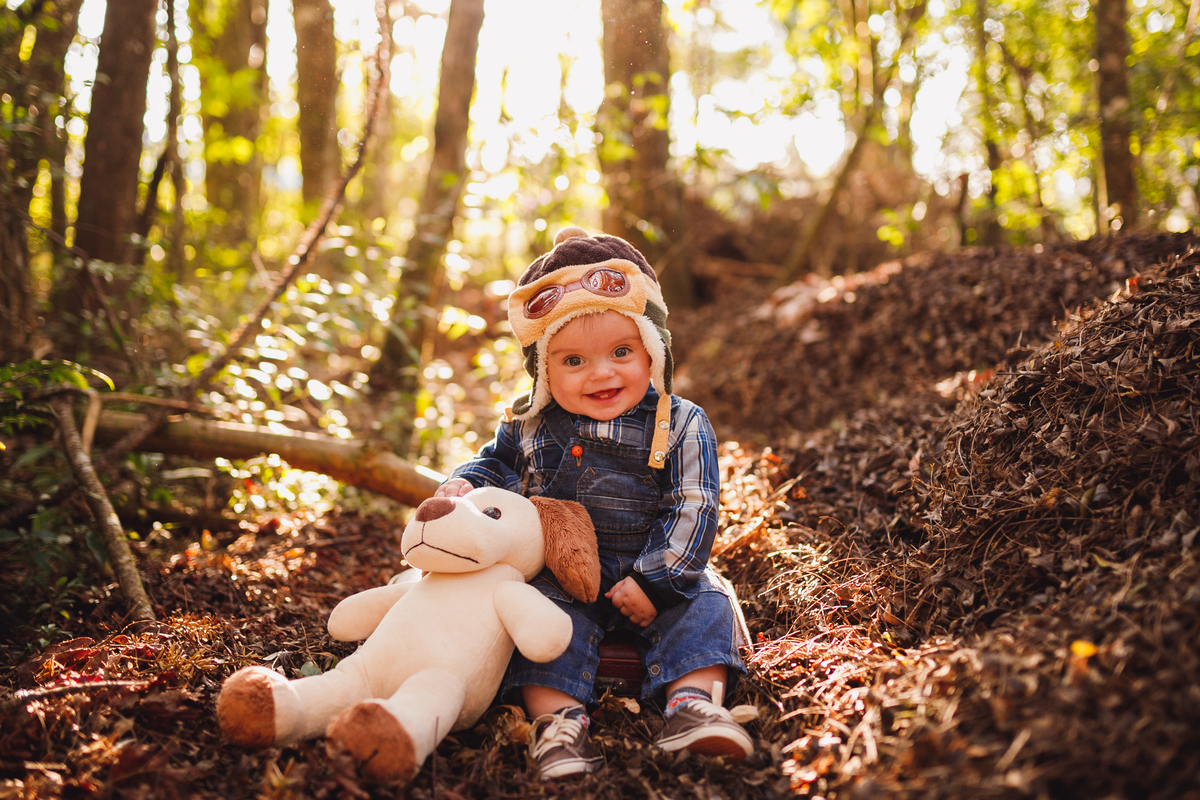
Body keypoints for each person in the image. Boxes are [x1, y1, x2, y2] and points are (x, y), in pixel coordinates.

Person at [436, 227, 754, 779]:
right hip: (566, 572)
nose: (602, 372)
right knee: (539, 621)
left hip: (657, 571)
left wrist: (657, 580)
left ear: (653, 349)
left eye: (622, 352)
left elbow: (694, 505)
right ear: (543, 368)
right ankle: (558, 725)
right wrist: (465, 485)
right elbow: (496, 466)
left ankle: (692, 706)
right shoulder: (531, 423)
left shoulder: (679, 422)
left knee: (707, 607)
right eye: (574, 361)